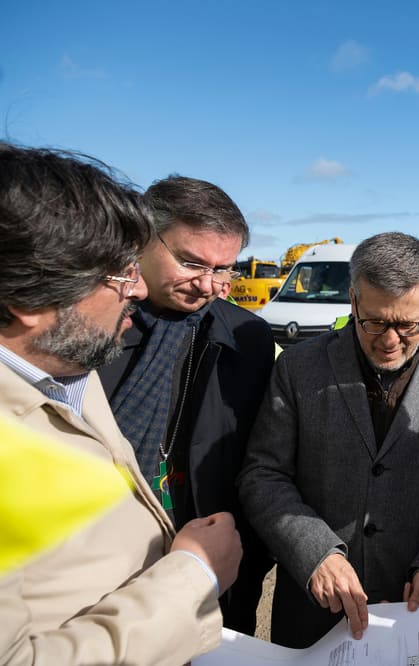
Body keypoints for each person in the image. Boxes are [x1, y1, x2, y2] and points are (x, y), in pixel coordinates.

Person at [0, 144, 242, 664]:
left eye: (224, 269)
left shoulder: (67, 369)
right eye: (115, 273)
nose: (133, 287)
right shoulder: (84, 357)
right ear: (28, 300)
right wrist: (193, 575)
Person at [238, 231, 419, 648]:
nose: (390, 340)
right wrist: (316, 552)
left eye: (408, 324)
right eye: (374, 321)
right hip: (311, 614)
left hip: (410, 614)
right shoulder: (298, 368)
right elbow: (262, 475)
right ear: (353, 301)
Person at [97, 175, 274, 634]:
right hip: (107, 559)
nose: (209, 285)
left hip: (218, 567)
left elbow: (262, 457)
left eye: (224, 269)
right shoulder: (92, 330)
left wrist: (247, 558)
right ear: (141, 239)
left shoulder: (248, 337)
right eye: (192, 262)